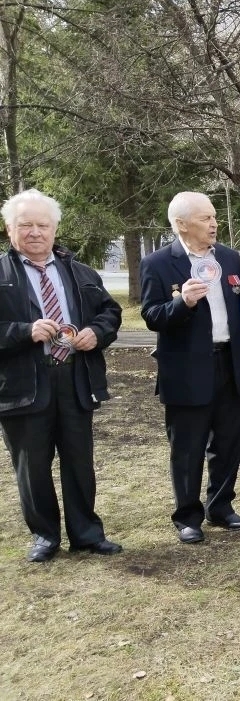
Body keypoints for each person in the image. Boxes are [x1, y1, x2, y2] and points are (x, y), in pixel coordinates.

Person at [0, 190, 123, 562]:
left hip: (74, 379)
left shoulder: (80, 271)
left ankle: (86, 533)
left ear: (54, 229)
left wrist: (97, 333)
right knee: (32, 465)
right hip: (23, 385)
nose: (35, 232)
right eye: (26, 225)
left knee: (79, 461)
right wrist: (23, 331)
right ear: (10, 229)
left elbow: (110, 312)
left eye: (43, 225)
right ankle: (44, 535)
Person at [140, 191, 240, 543]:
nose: (214, 223)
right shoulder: (158, 264)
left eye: (214, 216)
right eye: (206, 217)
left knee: (229, 442)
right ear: (181, 224)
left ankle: (221, 507)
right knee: (188, 447)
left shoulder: (229, 258)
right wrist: (183, 303)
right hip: (187, 369)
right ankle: (188, 516)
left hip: (229, 362)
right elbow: (151, 316)